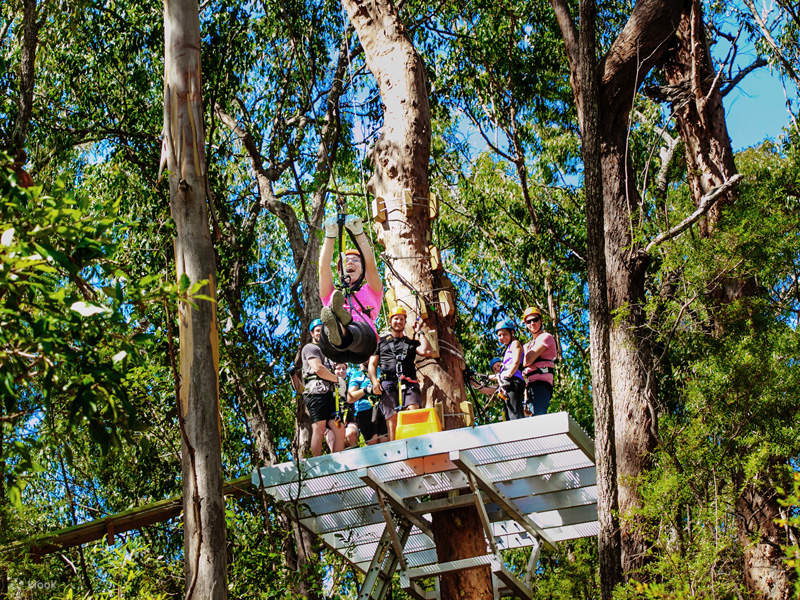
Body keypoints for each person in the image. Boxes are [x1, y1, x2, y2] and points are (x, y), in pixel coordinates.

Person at [318, 214, 383, 364]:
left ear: (363, 270)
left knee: (357, 330)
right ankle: (339, 323)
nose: (350, 262)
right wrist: (329, 236)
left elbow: (371, 266)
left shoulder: (372, 290)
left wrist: (359, 233)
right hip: (333, 348)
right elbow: (323, 269)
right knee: (328, 326)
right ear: (339, 271)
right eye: (346, 261)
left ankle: (342, 324)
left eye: (355, 260)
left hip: (363, 343)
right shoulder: (332, 294)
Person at [369, 306, 433, 440]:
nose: (398, 321)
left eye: (402, 319)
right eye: (396, 319)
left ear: (405, 322)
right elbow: (372, 364)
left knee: (413, 411)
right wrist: (375, 381)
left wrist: (419, 332)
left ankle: (415, 443)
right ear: (391, 321)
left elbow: (427, 351)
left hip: (408, 382)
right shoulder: (381, 342)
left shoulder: (410, 342)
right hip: (388, 383)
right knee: (392, 419)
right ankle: (395, 451)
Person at [301, 319, 346, 456]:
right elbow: (318, 368)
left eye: (323, 330)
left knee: (339, 427)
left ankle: (339, 458)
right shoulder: (311, 348)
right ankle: (316, 463)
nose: (320, 333)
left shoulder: (328, 351)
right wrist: (337, 379)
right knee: (319, 427)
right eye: (317, 330)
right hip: (315, 392)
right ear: (312, 333)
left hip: (329, 393)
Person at [521, 307, 557, 416]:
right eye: (529, 321)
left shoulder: (546, 337)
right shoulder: (528, 344)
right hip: (528, 387)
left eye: (535, 320)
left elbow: (527, 360)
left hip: (541, 385)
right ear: (526, 324)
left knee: (538, 418)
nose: (532, 323)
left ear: (541, 321)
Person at [347, 362, 389, 445]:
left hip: (384, 408)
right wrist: (365, 390)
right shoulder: (357, 375)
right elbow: (350, 398)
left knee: (385, 440)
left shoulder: (381, 370)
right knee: (373, 442)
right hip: (365, 411)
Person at [494, 318, 526, 420]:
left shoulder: (515, 343)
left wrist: (508, 375)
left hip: (513, 381)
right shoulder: (506, 350)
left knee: (514, 413)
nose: (502, 337)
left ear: (512, 333)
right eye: (499, 335)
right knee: (509, 415)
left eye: (504, 334)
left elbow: (516, 362)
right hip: (507, 382)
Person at [325, 362, 351, 451]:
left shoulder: (350, 384)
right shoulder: (327, 386)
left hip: (348, 421)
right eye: (338, 369)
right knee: (334, 444)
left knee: (351, 435)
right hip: (332, 423)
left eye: (344, 369)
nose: (341, 371)